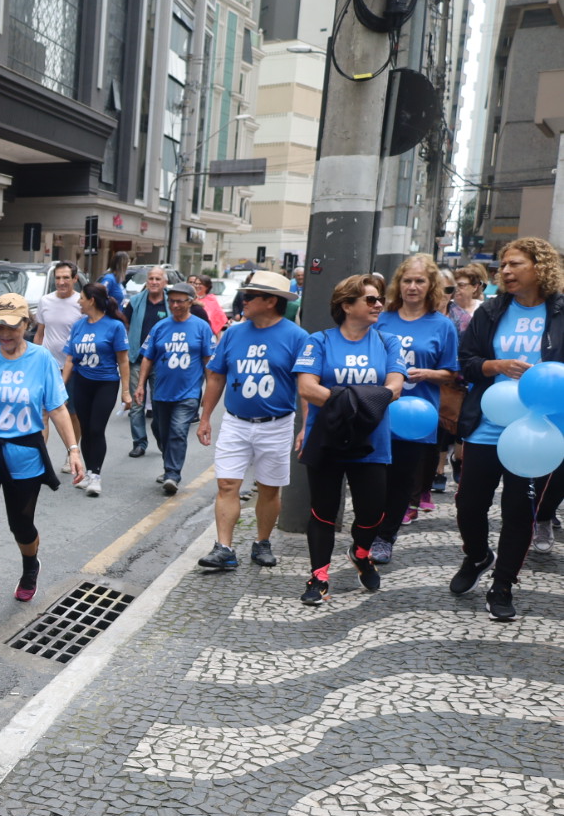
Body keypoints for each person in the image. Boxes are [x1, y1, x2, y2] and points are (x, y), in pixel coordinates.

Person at [0, 294, 84, 634]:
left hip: (25, 455)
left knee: (21, 525)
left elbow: (56, 408)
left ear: (27, 325)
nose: (6, 334)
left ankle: (30, 565)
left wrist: (73, 449)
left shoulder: (41, 359)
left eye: (12, 327)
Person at [451, 237, 564, 620]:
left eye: (516, 264)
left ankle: (502, 586)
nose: (506, 272)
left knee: (519, 510)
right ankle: (478, 555)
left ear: (540, 266)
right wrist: (496, 366)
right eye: (504, 266)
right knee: (469, 505)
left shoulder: (561, 312)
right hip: (488, 422)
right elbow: (466, 362)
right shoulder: (491, 311)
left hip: (538, 431)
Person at [293, 275, 407, 605]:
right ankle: (318, 576)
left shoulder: (389, 342)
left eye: (379, 300)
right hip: (327, 440)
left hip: (372, 442)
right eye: (370, 300)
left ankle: (360, 552)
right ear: (346, 305)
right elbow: (306, 388)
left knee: (373, 513)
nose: (378, 305)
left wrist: (344, 399)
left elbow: (395, 388)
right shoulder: (318, 341)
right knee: (323, 512)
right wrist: (362, 400)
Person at [196, 271, 307, 570]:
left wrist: (306, 427)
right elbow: (216, 376)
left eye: (249, 296)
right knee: (227, 484)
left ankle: (262, 542)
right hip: (235, 422)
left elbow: (306, 387)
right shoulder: (233, 333)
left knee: (269, 488)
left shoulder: (298, 337)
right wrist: (205, 417)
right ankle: (224, 548)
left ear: (271, 301)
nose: (242, 300)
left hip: (277, 424)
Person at [371, 254, 460, 563]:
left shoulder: (442, 326)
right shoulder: (383, 318)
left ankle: (385, 537)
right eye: (407, 280)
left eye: (420, 281)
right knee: (372, 477)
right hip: (377, 412)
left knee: (401, 481)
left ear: (431, 285)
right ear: (399, 284)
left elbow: (452, 373)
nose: (412, 286)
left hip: (416, 415)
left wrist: (428, 374)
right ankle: (367, 530)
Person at [134, 282, 215, 494]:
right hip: (161, 392)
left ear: (191, 301)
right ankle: (169, 463)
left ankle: (172, 474)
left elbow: (209, 362)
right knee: (159, 430)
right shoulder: (160, 327)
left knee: (178, 431)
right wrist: (141, 385)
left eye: (180, 301)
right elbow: (147, 358)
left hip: (188, 393)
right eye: (172, 301)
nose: (175, 305)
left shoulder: (201, 327)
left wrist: (208, 392)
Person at [62, 281, 131, 498]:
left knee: (96, 428)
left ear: (91, 300)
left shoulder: (114, 326)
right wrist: (61, 386)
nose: (78, 301)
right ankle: (89, 472)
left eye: (81, 298)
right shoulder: (78, 325)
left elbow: (123, 360)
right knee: (85, 427)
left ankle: (96, 476)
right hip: (83, 382)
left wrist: (126, 391)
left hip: (106, 383)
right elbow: (71, 359)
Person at [33, 261, 83, 466]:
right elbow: (39, 334)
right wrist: (35, 359)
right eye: (58, 278)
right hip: (48, 365)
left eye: (66, 278)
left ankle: (71, 452)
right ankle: (41, 459)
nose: (61, 282)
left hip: (73, 367)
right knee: (43, 413)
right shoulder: (45, 301)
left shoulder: (82, 302)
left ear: (75, 279)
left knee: (71, 413)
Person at [123, 267, 172, 458]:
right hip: (137, 358)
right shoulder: (135, 302)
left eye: (158, 279)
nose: (153, 282)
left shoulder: (171, 303)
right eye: (151, 278)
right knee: (137, 404)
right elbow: (123, 323)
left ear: (164, 282)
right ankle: (139, 443)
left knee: (160, 404)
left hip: (162, 361)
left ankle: (161, 439)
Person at [98, 250, 131, 322]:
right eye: (127, 263)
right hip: (109, 320)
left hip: (117, 320)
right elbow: (99, 296)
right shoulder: (110, 279)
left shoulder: (118, 281)